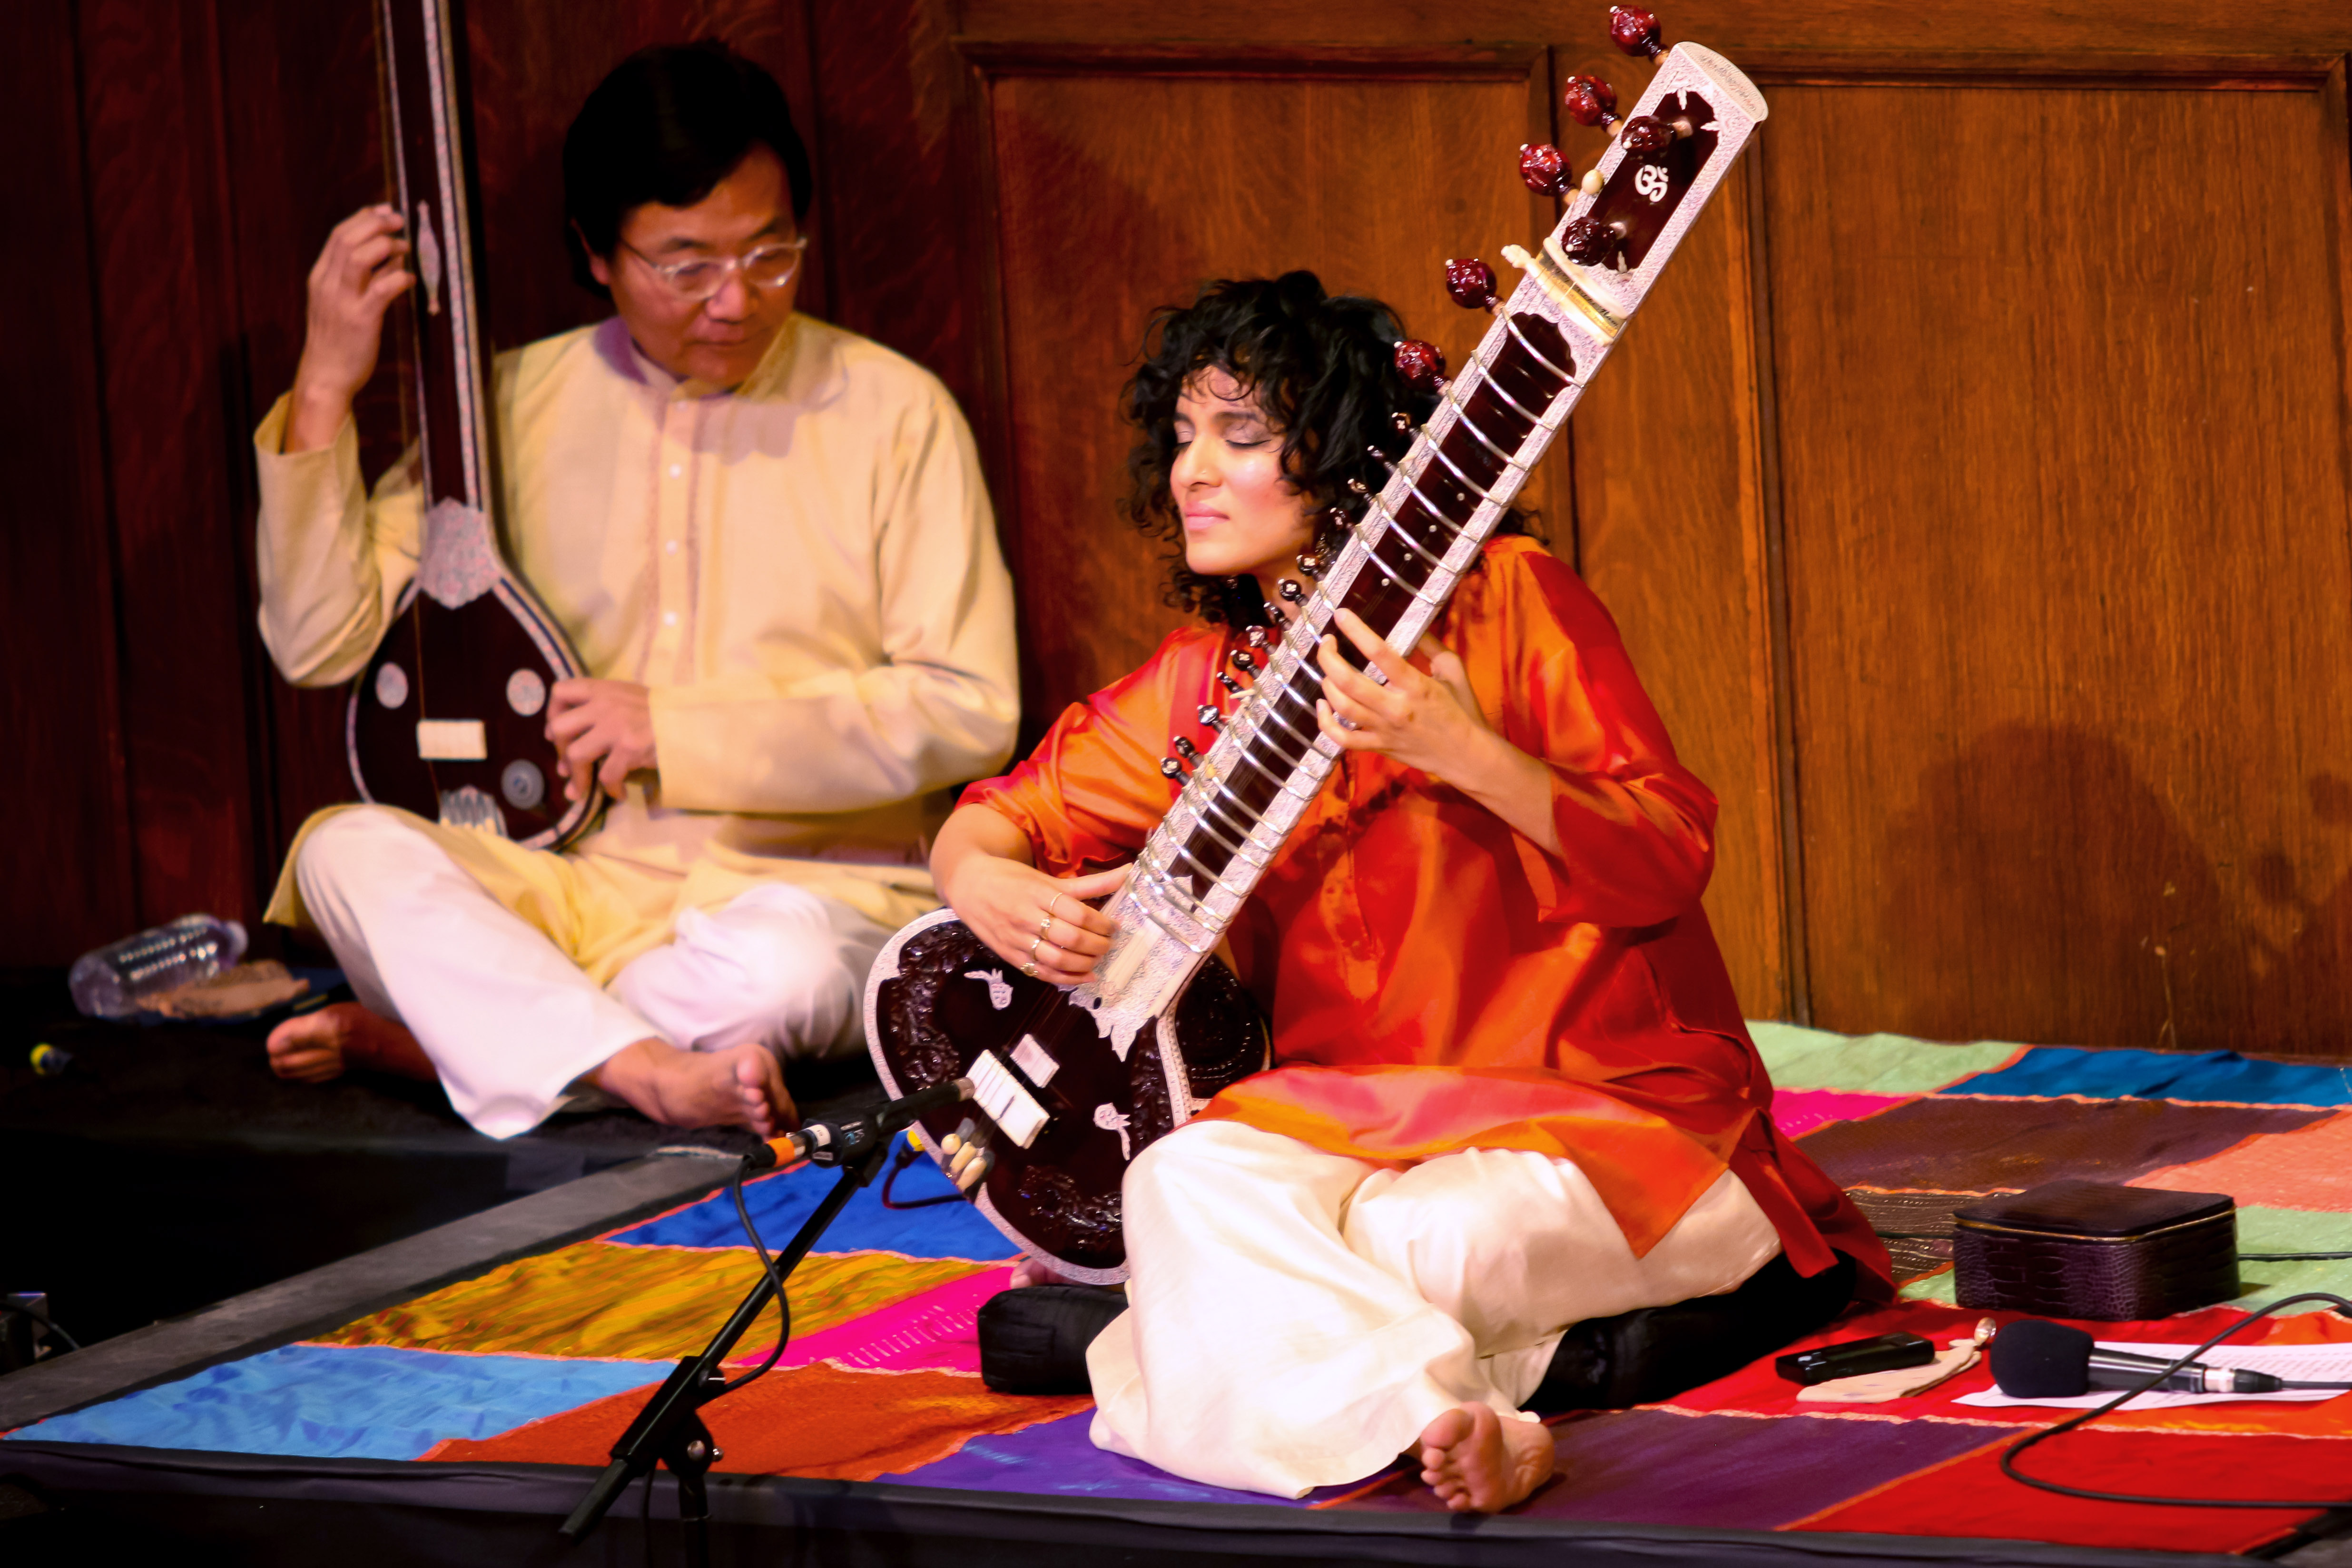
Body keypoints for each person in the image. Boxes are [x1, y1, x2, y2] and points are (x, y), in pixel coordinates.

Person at [930, 274, 1887, 1511]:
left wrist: (1465, 751)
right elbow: (994, 819)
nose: (1191, 476)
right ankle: (1476, 1417)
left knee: (1416, 1247)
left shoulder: (1508, 603)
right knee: (1175, 1183)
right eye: (1180, 439)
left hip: (1607, 1117)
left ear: (1340, 455)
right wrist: (986, 882)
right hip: (1346, 1129)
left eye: (1241, 436)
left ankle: (1197, 1355)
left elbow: (1666, 859)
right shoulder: (1205, 694)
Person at [253, 43, 1016, 1139]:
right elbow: (321, 641)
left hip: (809, 892)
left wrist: (680, 730)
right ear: (595, 254)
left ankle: (462, 1044)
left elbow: (965, 707)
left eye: (771, 253)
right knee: (343, 851)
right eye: (687, 265)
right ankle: (634, 1064)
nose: (736, 300)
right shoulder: (505, 410)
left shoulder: (895, 411)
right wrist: (327, 381)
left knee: (781, 978)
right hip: (573, 891)